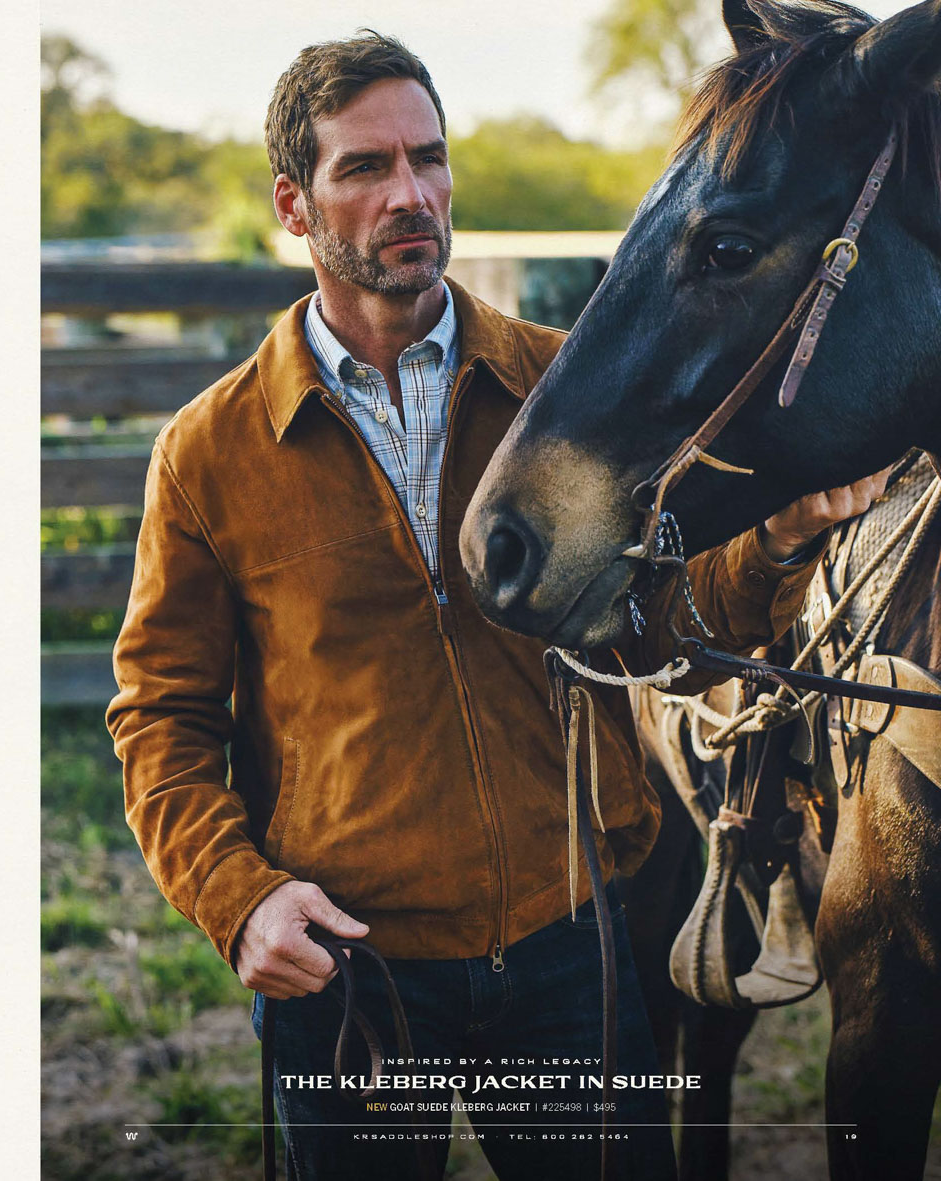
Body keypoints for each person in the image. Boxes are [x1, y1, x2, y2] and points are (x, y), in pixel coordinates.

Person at [105, 33, 886, 1181]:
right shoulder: (212, 452)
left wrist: (771, 542)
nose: (410, 195)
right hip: (352, 963)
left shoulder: (561, 385)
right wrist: (240, 899)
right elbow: (159, 715)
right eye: (365, 168)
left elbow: (654, 619)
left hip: (570, 939)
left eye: (428, 158)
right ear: (293, 205)